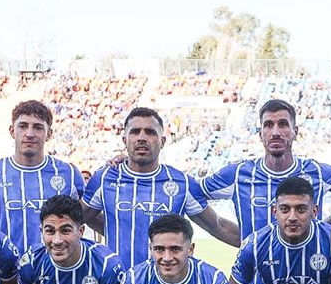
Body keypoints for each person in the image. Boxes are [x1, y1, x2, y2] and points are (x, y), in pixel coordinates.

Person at [83, 107, 239, 269]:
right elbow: (76, 219)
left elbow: (218, 226)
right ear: (125, 140)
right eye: (135, 132)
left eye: (150, 132)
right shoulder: (104, 179)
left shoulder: (181, 183)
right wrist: (115, 230)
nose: (142, 138)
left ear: (163, 141)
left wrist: (262, 245)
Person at [0, 101, 83, 284]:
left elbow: (82, 221)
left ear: (49, 133)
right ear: (12, 131)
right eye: (23, 126)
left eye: (38, 127)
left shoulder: (68, 174)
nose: (30, 133)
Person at [201, 99, 331, 241]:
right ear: (260, 134)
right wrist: (236, 237)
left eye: (282, 124)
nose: (275, 132)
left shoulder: (317, 173)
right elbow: (190, 191)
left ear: (295, 131)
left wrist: (327, 230)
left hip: (307, 269)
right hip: (256, 270)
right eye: (268, 125)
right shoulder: (238, 174)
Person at [230, 177, 331, 284]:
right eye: (285, 209)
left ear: (314, 211)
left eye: (301, 209)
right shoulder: (255, 244)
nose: (292, 217)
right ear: (274, 211)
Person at [15, 194, 123, 284]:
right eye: (50, 231)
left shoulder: (107, 266)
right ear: (41, 231)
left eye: (65, 230)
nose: (57, 240)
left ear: (81, 231)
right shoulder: (32, 260)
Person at [119, 213, 235, 284]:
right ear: (151, 249)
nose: (167, 258)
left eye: (175, 249)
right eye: (159, 249)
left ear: (190, 249)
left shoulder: (214, 282)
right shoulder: (133, 282)